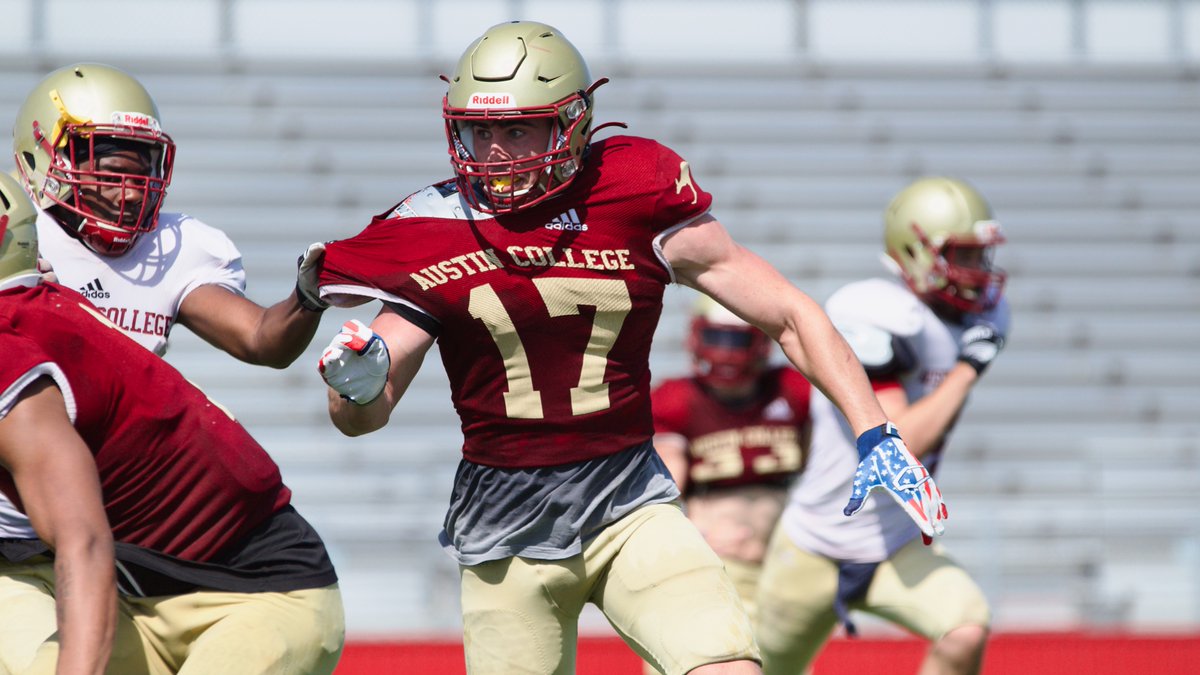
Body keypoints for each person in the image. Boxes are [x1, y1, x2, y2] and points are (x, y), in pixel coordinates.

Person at [312, 21, 946, 675]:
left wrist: (874, 429)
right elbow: (363, 411)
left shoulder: (634, 185)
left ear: (573, 122)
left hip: (628, 500)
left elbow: (787, 313)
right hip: (506, 526)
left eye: (518, 128)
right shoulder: (432, 226)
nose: (494, 151)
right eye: (479, 129)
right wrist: (355, 388)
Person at [0, 62, 331, 672]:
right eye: (104, 169)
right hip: (24, 523)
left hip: (114, 510)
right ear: (41, 159)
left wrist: (305, 301)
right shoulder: (23, 243)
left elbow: (262, 339)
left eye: (140, 170)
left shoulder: (173, 249)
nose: (127, 191)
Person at [755, 176, 1009, 675]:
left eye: (981, 256)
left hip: (898, 544)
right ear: (915, 252)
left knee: (966, 629)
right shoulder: (874, 310)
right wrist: (966, 370)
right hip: (814, 544)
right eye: (963, 255)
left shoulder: (992, 313)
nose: (979, 273)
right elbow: (900, 444)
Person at [643, 295, 812, 675]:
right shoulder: (677, 399)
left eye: (735, 341)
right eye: (716, 338)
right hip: (717, 563)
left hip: (781, 567)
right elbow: (664, 486)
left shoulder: (790, 389)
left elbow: (824, 464)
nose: (725, 353)